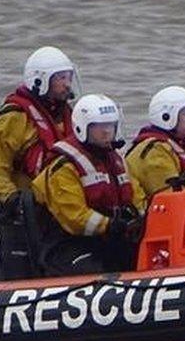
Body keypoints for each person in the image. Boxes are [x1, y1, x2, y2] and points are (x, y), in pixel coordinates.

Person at [0, 46, 77, 277]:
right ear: (40, 81)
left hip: (61, 210)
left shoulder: (69, 116)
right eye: (60, 79)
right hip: (27, 214)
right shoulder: (13, 119)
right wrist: (15, 201)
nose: (67, 84)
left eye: (69, 77)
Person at [31, 94, 146, 277]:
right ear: (82, 127)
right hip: (68, 245)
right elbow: (75, 218)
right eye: (99, 127)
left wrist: (145, 219)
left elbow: (137, 197)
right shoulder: (64, 167)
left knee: (147, 260)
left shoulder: (117, 161)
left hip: (109, 239)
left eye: (110, 126)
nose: (107, 132)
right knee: (96, 272)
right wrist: (110, 225)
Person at [126, 86, 185, 195]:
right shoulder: (155, 151)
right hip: (160, 210)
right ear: (166, 117)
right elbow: (170, 197)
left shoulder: (181, 146)